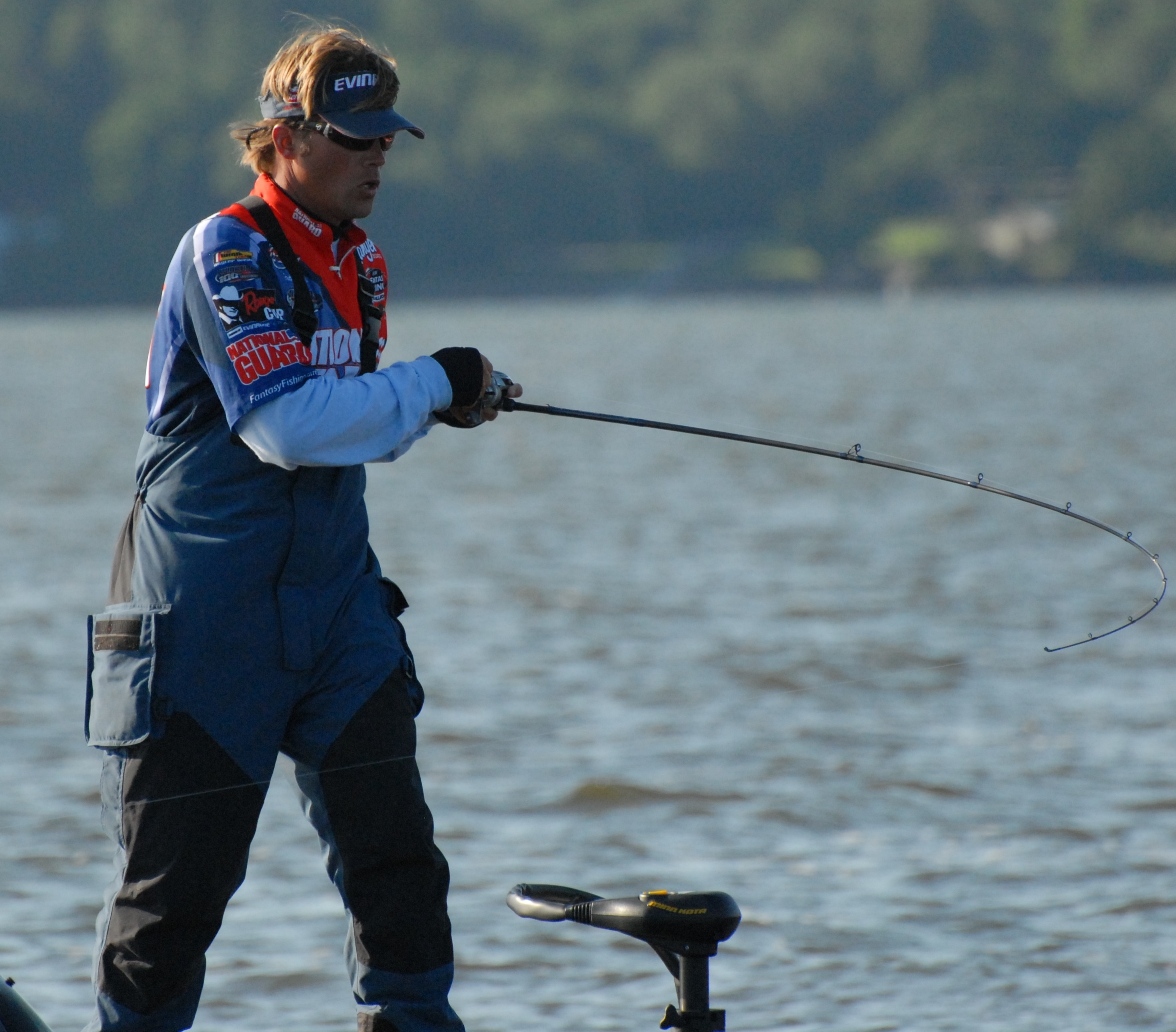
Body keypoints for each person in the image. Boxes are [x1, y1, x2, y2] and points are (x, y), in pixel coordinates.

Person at [82, 26, 517, 1032]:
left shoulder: (359, 265)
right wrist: (436, 381)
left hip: (335, 615)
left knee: (402, 873)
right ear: (284, 136)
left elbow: (354, 429)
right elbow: (284, 429)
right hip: (203, 625)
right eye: (356, 138)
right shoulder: (223, 251)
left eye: (388, 140)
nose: (378, 160)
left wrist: (436, 403)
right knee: (170, 908)